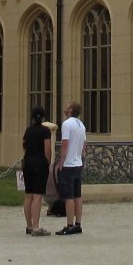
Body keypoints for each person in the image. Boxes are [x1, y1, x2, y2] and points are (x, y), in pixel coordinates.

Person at [55, 100, 86, 236]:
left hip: (69, 164)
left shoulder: (67, 124)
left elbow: (65, 144)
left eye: (68, 106)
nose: (65, 107)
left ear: (71, 109)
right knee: (77, 195)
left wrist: (61, 161)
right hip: (78, 162)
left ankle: (69, 225)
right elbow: (84, 145)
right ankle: (78, 223)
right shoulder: (81, 125)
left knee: (68, 196)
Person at [22, 106, 52, 237]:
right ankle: (36, 226)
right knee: (38, 195)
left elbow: (24, 145)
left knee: (29, 195)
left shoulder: (28, 130)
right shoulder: (45, 131)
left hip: (27, 162)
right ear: (43, 117)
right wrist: (48, 162)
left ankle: (29, 225)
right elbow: (47, 149)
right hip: (40, 163)